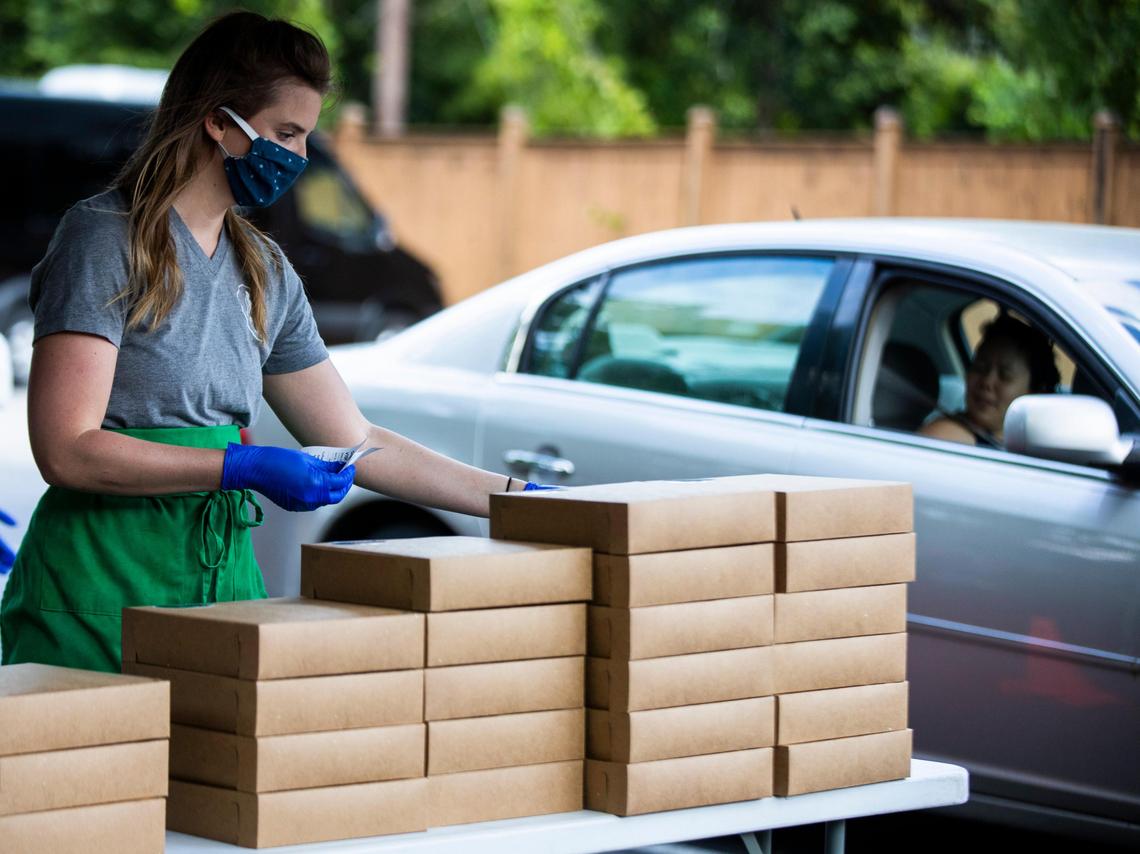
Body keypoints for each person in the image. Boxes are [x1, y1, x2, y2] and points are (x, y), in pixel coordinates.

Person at [0, 11, 537, 674]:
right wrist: (237, 468)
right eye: (286, 133)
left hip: (218, 582)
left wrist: (513, 497)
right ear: (219, 122)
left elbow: (355, 440)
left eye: (306, 136)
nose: (300, 158)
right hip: (97, 589)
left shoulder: (263, 269)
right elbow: (67, 451)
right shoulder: (104, 241)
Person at [919, 313, 1060, 447]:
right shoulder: (948, 437)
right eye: (980, 368)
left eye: (1004, 376)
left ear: (1035, 391)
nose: (987, 382)